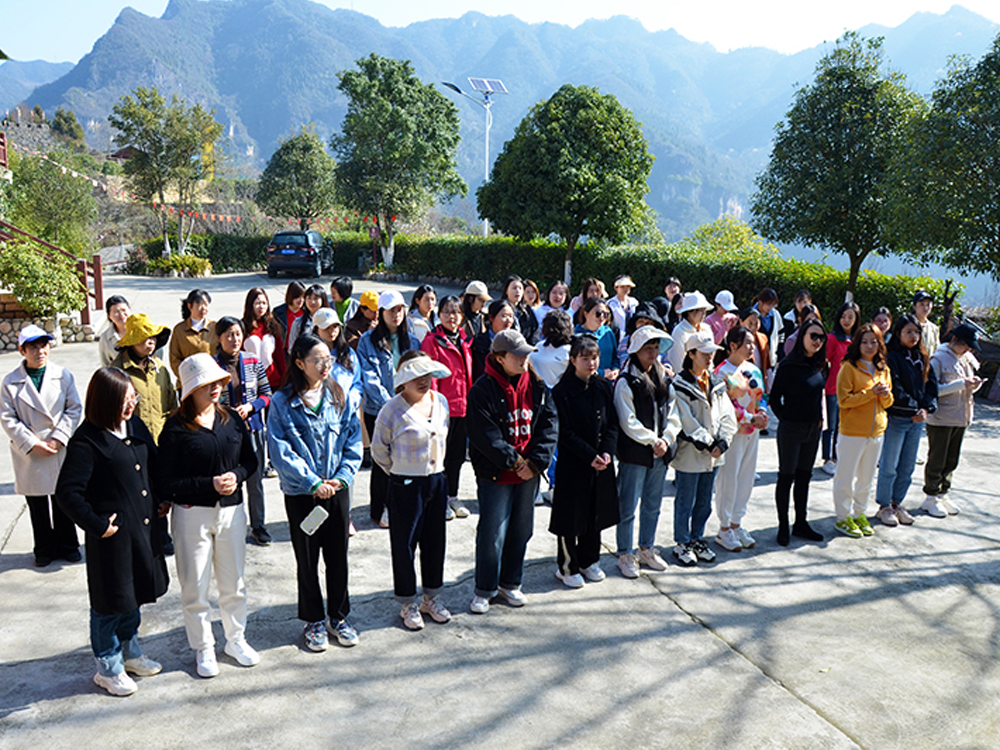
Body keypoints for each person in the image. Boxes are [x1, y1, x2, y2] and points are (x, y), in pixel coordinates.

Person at [55, 368, 169, 697]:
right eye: (124, 400)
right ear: (105, 402)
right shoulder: (87, 440)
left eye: (133, 398)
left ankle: (130, 652)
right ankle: (107, 666)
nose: (130, 405)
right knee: (109, 601)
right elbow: (68, 493)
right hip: (111, 536)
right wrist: (97, 524)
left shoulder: (132, 425)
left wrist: (161, 500)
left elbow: (151, 463)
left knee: (131, 596)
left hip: (142, 530)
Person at [157, 353, 259, 678]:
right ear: (190, 389)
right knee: (195, 587)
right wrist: (209, 484)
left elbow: (251, 461)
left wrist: (238, 477)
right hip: (191, 515)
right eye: (206, 384)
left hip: (232, 513)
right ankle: (203, 648)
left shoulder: (231, 419)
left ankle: (236, 639)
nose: (215, 388)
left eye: (217, 382)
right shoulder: (174, 428)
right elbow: (166, 481)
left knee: (235, 583)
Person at [268, 334, 362, 651]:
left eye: (328, 359)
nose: (325, 365)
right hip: (302, 494)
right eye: (317, 360)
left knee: (338, 558)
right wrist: (312, 482)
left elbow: (353, 442)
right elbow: (281, 452)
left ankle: (339, 617)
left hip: (336, 490)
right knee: (307, 560)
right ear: (299, 363)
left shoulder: (340, 395)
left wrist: (341, 478)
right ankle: (314, 620)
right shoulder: (282, 402)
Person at [467, 330, 557, 615]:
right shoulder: (482, 389)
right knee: (493, 533)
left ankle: (510, 582)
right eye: (517, 355)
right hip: (497, 472)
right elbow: (484, 435)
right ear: (499, 357)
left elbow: (549, 425)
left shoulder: (538, 385)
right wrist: (515, 462)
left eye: (526, 353)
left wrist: (535, 463)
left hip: (528, 473)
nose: (523, 359)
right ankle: (485, 589)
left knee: (522, 529)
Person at [371, 352, 453, 630]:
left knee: (435, 541)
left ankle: (431, 598)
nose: (423, 381)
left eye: (427, 375)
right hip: (405, 483)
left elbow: (445, 437)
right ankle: (408, 603)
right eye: (416, 376)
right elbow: (379, 451)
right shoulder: (391, 410)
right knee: (404, 545)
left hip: (437, 481)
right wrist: (401, 470)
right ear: (402, 380)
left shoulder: (440, 402)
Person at [1, 325, 83, 567]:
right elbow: (7, 418)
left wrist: (59, 437)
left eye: (44, 346)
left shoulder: (63, 375)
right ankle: (44, 548)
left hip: (59, 447)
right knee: (37, 504)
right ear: (22, 350)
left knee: (63, 500)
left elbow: (74, 408)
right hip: (29, 452)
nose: (40, 351)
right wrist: (32, 443)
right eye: (34, 347)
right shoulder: (10, 382)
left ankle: (68, 544)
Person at [550, 335, 619, 588]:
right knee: (571, 517)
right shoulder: (562, 391)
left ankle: (590, 560)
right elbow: (564, 431)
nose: (591, 363)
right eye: (585, 358)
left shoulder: (602, 386)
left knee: (595, 513)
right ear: (572, 359)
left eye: (595, 357)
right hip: (574, 463)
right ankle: (567, 566)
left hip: (600, 461)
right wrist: (590, 455)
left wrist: (607, 452)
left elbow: (612, 423)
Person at [614, 326, 679, 578]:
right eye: (647, 349)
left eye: (655, 348)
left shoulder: (663, 377)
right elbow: (627, 420)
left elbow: (674, 412)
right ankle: (625, 553)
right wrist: (653, 440)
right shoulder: (626, 380)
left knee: (653, 504)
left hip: (660, 452)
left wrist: (666, 438)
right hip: (635, 453)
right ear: (635, 351)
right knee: (628, 505)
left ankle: (646, 548)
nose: (653, 353)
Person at [671, 337, 737, 566]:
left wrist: (724, 441)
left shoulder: (717, 382)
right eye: (704, 353)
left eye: (712, 353)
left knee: (704, 501)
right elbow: (685, 420)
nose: (710, 357)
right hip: (691, 453)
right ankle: (682, 542)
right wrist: (709, 443)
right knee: (685, 501)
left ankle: (697, 538)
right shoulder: (679, 384)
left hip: (714, 455)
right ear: (691, 354)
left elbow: (728, 415)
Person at [357, 290, 421, 527]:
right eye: (391, 310)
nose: (396, 314)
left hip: (407, 409)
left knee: (403, 459)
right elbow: (369, 377)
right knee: (382, 460)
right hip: (380, 411)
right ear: (380, 312)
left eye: (400, 309)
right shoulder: (367, 340)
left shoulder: (412, 340)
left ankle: (399, 505)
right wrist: (391, 404)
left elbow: (417, 373)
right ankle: (379, 508)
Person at [214, 317, 272, 547]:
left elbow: (267, 394)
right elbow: (209, 400)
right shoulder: (213, 365)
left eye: (238, 333)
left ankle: (258, 526)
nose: (234, 339)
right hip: (226, 434)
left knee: (255, 482)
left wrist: (251, 407)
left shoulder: (252, 361)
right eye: (228, 334)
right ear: (219, 338)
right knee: (229, 481)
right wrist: (227, 411)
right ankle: (229, 528)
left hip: (254, 429)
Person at [769, 319, 828, 546]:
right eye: (813, 336)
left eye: (821, 338)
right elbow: (775, 399)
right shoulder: (788, 365)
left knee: (804, 477)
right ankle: (783, 526)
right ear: (802, 336)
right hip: (791, 430)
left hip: (813, 430)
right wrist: (787, 419)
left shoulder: (822, 365)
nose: (817, 341)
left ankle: (800, 523)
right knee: (786, 478)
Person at [874, 314, 937, 527]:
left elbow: (931, 388)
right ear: (898, 333)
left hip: (917, 422)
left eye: (916, 332)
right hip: (898, 418)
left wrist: (926, 409)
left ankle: (896, 502)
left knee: (907, 466)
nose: (913, 336)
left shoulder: (923, 358)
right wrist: (914, 408)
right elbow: (896, 388)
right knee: (889, 465)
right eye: (908, 331)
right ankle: (884, 506)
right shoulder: (891, 357)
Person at [832, 323, 893, 538]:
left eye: (873, 341)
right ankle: (842, 517)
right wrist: (871, 393)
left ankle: (859, 513)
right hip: (852, 432)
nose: (869, 346)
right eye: (865, 341)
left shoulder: (883, 368)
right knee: (845, 477)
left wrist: (884, 394)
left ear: (879, 344)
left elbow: (888, 402)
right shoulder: (848, 367)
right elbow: (844, 400)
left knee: (866, 478)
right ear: (857, 344)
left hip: (876, 432)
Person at [713, 326, 768, 552]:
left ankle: (737, 523)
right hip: (732, 433)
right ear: (733, 346)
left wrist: (762, 414)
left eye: (753, 343)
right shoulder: (721, 372)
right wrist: (749, 417)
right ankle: (724, 527)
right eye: (747, 343)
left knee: (746, 477)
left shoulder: (753, 369)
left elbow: (761, 396)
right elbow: (725, 406)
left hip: (752, 432)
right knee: (729, 479)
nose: (751, 347)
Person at [922, 323, 984, 518]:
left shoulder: (965, 359)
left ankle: (943, 493)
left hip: (961, 416)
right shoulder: (938, 358)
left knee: (952, 459)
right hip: (941, 417)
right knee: (937, 458)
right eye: (965, 345)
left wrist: (973, 385)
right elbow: (932, 390)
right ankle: (931, 496)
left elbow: (965, 387)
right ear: (955, 339)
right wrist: (961, 383)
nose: (968, 350)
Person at [421, 295, 474, 521]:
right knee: (438, 456)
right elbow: (430, 378)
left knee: (457, 456)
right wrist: (432, 407)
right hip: (442, 409)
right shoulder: (432, 341)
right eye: (446, 312)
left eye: (456, 312)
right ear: (438, 315)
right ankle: (438, 498)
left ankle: (452, 495)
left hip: (463, 408)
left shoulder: (465, 340)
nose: (451, 317)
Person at [110, 313, 176, 444]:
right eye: (145, 337)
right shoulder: (118, 370)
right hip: (132, 440)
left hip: (161, 438)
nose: (151, 341)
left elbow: (171, 401)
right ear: (132, 341)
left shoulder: (159, 367)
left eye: (153, 337)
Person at [822, 302, 860, 476]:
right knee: (830, 425)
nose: (846, 320)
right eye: (844, 316)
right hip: (832, 387)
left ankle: (838, 457)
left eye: (850, 317)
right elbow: (824, 361)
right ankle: (827, 458)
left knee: (843, 426)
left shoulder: (858, 340)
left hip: (852, 390)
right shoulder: (832, 338)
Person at [242, 287, 286, 392]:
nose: (261, 306)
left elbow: (279, 355)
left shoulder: (273, 326)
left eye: (264, 303)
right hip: (251, 381)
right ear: (250, 304)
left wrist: (285, 379)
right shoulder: (243, 326)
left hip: (273, 380)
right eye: (257, 303)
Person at [169, 289, 216, 378]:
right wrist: (187, 377)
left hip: (210, 379)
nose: (203, 308)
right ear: (190, 306)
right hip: (188, 381)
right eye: (199, 304)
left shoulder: (214, 327)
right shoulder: (179, 330)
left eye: (206, 304)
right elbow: (174, 358)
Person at [668, 291, 714, 374]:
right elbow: (677, 361)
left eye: (704, 310)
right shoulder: (679, 331)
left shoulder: (706, 328)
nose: (703, 314)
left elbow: (710, 356)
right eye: (700, 310)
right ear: (689, 311)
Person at [575, 297, 619, 380]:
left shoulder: (608, 332)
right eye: (598, 313)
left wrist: (616, 369)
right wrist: (602, 373)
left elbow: (615, 357)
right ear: (586, 314)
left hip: (607, 385)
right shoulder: (577, 335)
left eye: (605, 314)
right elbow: (576, 365)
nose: (602, 318)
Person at [471, 298, 516, 382]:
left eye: (511, 316)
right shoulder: (480, 342)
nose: (508, 320)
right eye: (504, 316)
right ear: (491, 317)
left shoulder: (515, 342)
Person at [751, 288, 783, 381]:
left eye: (774, 305)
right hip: (756, 358)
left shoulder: (775, 314)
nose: (771, 307)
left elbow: (781, 332)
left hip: (771, 358)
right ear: (760, 302)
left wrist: (780, 350)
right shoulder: (752, 314)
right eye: (769, 304)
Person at [288, 284, 330, 350]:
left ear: (323, 299)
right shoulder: (298, 323)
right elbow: (292, 348)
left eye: (315, 298)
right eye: (309, 298)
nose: (312, 302)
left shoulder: (330, 320)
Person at [503, 275, 540, 345]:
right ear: (506, 291)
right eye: (514, 288)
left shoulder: (527, 310)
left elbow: (535, 330)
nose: (517, 291)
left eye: (520, 288)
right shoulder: (500, 309)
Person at [273, 281, 307, 356]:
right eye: (298, 297)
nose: (301, 300)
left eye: (303, 297)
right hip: (284, 351)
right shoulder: (278, 312)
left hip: (301, 351)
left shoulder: (307, 312)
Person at [98, 295, 131, 367]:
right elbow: (105, 365)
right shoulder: (105, 338)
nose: (121, 314)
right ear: (109, 315)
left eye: (124, 310)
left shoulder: (141, 329)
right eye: (116, 312)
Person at [912, 290, 940, 356]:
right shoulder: (907, 325)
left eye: (928, 304)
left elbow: (936, 350)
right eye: (922, 304)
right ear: (914, 306)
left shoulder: (934, 329)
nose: (925, 308)